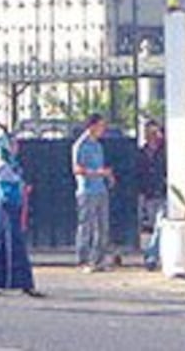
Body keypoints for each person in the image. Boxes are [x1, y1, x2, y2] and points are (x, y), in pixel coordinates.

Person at [0, 134, 41, 297]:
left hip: (12, 207)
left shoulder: (11, 163)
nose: (16, 147)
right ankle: (24, 284)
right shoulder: (2, 163)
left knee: (0, 244)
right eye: (13, 144)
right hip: (6, 208)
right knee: (14, 244)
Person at [72, 113, 113, 272]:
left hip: (100, 189)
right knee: (86, 226)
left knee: (102, 226)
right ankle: (83, 260)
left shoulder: (98, 145)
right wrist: (97, 172)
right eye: (101, 125)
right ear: (92, 126)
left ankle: (98, 260)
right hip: (87, 190)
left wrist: (107, 176)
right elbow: (77, 169)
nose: (103, 129)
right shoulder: (80, 145)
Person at [134, 120, 167, 270]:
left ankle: (151, 256)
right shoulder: (141, 153)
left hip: (162, 193)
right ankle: (152, 254)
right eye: (150, 133)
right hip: (148, 194)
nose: (153, 136)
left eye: (155, 133)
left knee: (159, 226)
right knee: (151, 227)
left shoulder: (165, 152)